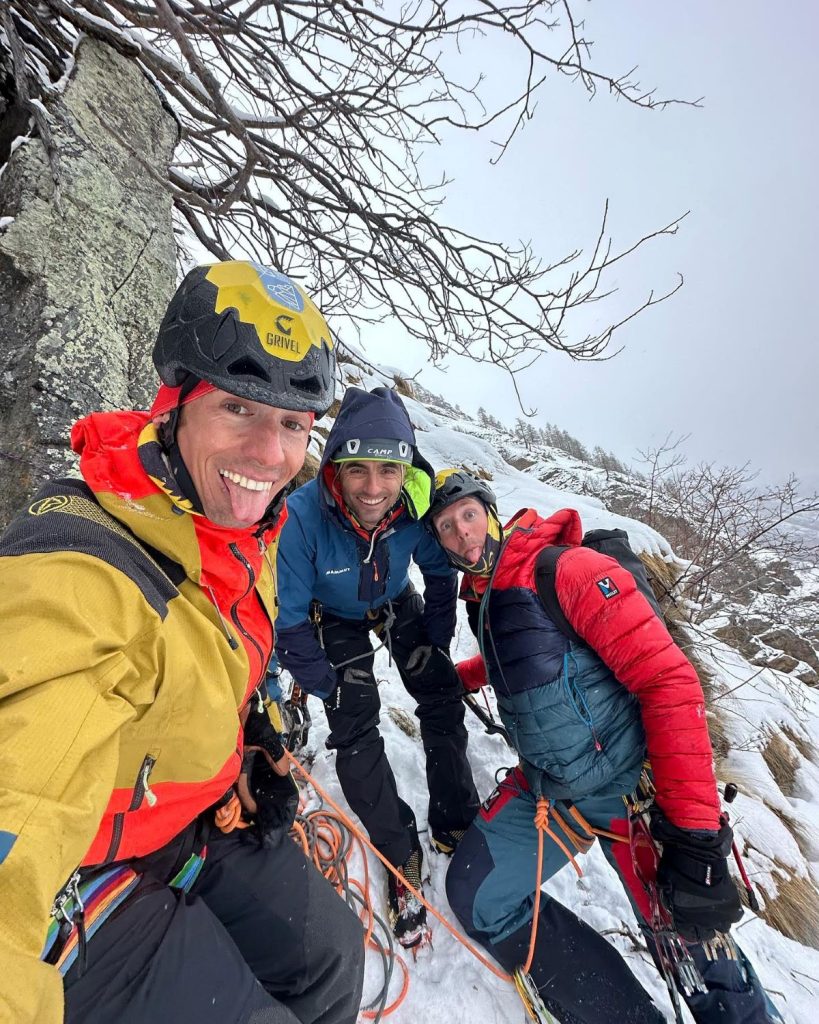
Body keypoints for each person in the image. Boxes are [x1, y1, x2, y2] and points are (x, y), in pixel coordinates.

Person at [0, 260, 365, 1024]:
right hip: (84, 873)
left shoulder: (236, 532)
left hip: (189, 816)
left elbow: (208, 656)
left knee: (331, 954)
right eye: (239, 407)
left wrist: (243, 741)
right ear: (175, 408)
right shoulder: (81, 580)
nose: (269, 453)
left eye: (293, 424)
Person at [427, 469, 782, 1024]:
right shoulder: (488, 596)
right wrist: (461, 676)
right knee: (478, 896)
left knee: (694, 946)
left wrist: (694, 838)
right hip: (551, 790)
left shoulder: (569, 570)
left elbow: (669, 683)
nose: (463, 534)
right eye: (447, 528)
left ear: (492, 511)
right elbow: (529, 662)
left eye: (469, 514)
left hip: (628, 794)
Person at [275, 386, 479, 948]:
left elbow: (439, 573)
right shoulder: (301, 519)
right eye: (356, 468)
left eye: (388, 470)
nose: (372, 488)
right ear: (334, 464)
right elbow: (288, 623)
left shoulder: (414, 507)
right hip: (332, 617)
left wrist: (436, 641)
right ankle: (399, 850)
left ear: (405, 470)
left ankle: (454, 817)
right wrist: (324, 683)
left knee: (439, 693)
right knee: (355, 719)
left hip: (394, 603)